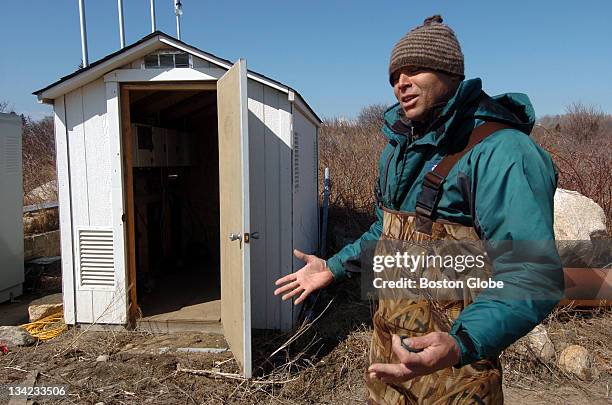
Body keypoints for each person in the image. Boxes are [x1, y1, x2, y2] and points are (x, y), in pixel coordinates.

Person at [275, 15, 564, 404]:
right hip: (389, 363)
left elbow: (531, 273)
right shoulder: (398, 150)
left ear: (449, 71)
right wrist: (334, 267)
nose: (401, 83)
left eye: (415, 68)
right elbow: (387, 233)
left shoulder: (502, 153)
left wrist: (462, 341)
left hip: (456, 373)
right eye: (395, 74)